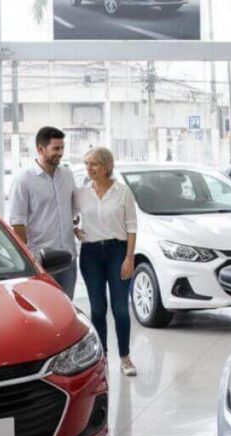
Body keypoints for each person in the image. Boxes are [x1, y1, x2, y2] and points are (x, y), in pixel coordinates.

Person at [74, 147, 138, 377]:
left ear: (107, 166)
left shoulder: (123, 193)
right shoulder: (81, 193)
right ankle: (101, 358)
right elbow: (70, 216)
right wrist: (76, 230)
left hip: (117, 252)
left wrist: (129, 257)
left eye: (94, 164)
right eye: (87, 163)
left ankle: (125, 356)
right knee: (98, 308)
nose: (89, 168)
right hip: (91, 254)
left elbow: (131, 227)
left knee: (120, 308)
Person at [8, 126, 78, 298]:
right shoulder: (24, 180)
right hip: (41, 262)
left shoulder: (67, 175)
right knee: (43, 311)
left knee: (66, 309)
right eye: (56, 148)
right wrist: (29, 261)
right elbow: (17, 222)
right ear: (40, 148)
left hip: (68, 258)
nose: (60, 153)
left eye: (62, 148)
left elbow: (71, 209)